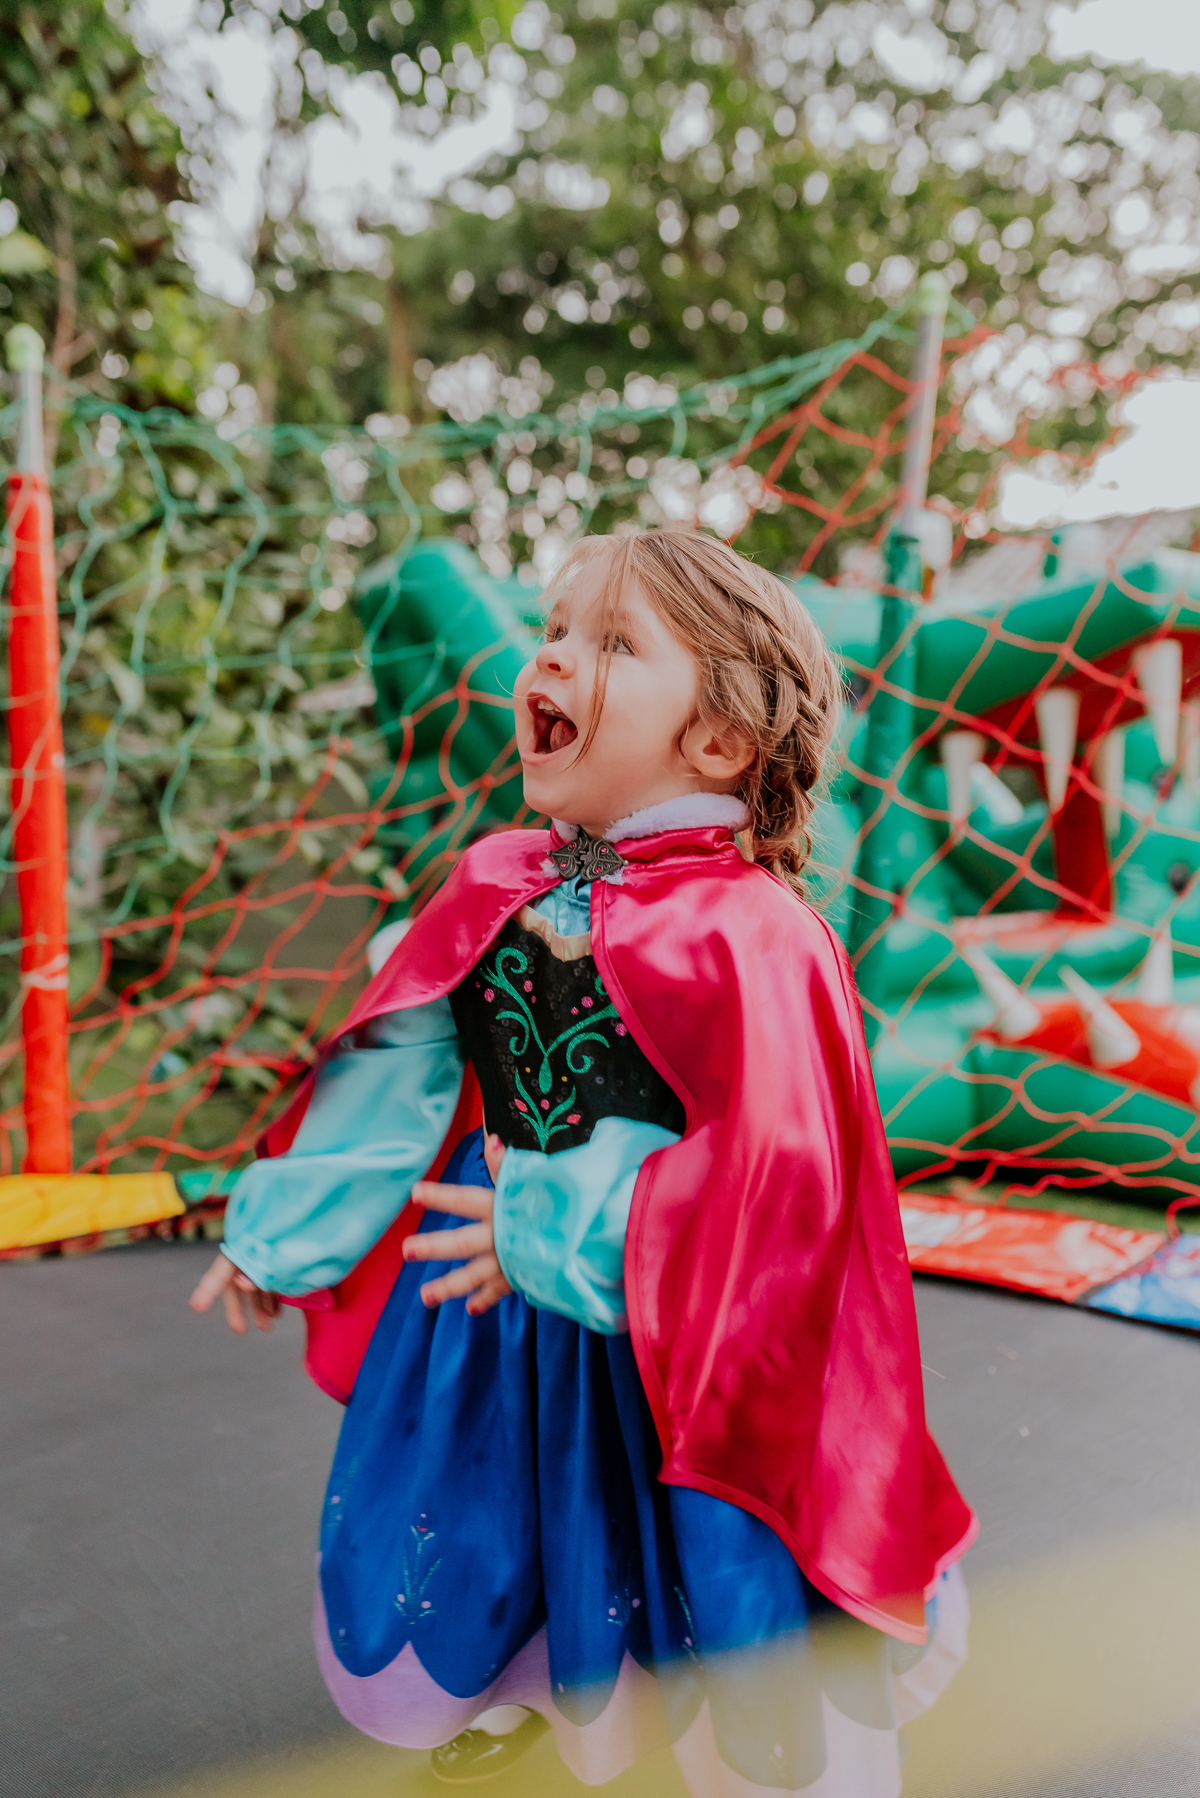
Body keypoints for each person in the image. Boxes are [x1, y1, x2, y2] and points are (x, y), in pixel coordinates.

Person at [191, 529, 974, 1795]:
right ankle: (533, 1695)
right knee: (509, 1516)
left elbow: (778, 1174)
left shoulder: (753, 931)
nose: (552, 656)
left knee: (670, 1538)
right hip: (495, 1311)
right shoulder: (493, 879)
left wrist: (555, 1227)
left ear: (717, 739)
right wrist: (280, 1231)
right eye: (555, 630)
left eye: (612, 642)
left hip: (671, 1328)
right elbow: (399, 1062)